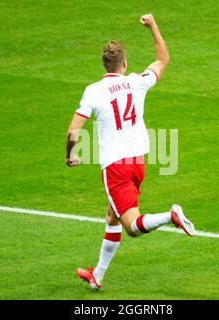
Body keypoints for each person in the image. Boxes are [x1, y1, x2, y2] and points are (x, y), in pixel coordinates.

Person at [66, 14, 196, 290]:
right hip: (138, 163)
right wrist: (153, 26)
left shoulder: (93, 91)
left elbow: (72, 132)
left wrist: (71, 154)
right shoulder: (137, 81)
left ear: (104, 64)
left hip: (115, 168)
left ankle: (170, 215)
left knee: (132, 227)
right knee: (112, 216)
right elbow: (162, 60)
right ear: (124, 64)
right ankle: (97, 276)